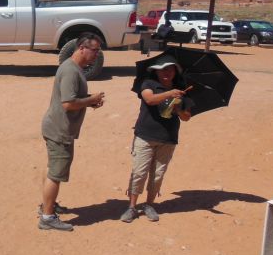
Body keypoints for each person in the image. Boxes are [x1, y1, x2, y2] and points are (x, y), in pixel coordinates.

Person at [39, 33, 106, 232]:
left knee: (53, 168)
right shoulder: (70, 71)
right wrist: (90, 99)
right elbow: (68, 103)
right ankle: (47, 217)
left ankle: (47, 204)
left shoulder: (74, 68)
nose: (97, 55)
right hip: (60, 129)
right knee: (56, 173)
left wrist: (89, 101)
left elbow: (73, 98)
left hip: (57, 126)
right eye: (95, 50)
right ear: (81, 48)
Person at [120, 55, 193, 223]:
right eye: (162, 69)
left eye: (169, 69)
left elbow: (187, 117)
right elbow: (149, 99)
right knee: (139, 172)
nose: (165, 72)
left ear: (176, 71)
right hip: (145, 135)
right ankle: (131, 207)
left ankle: (149, 205)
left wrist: (178, 109)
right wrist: (169, 94)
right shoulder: (149, 84)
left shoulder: (183, 90)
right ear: (156, 72)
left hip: (168, 138)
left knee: (157, 175)